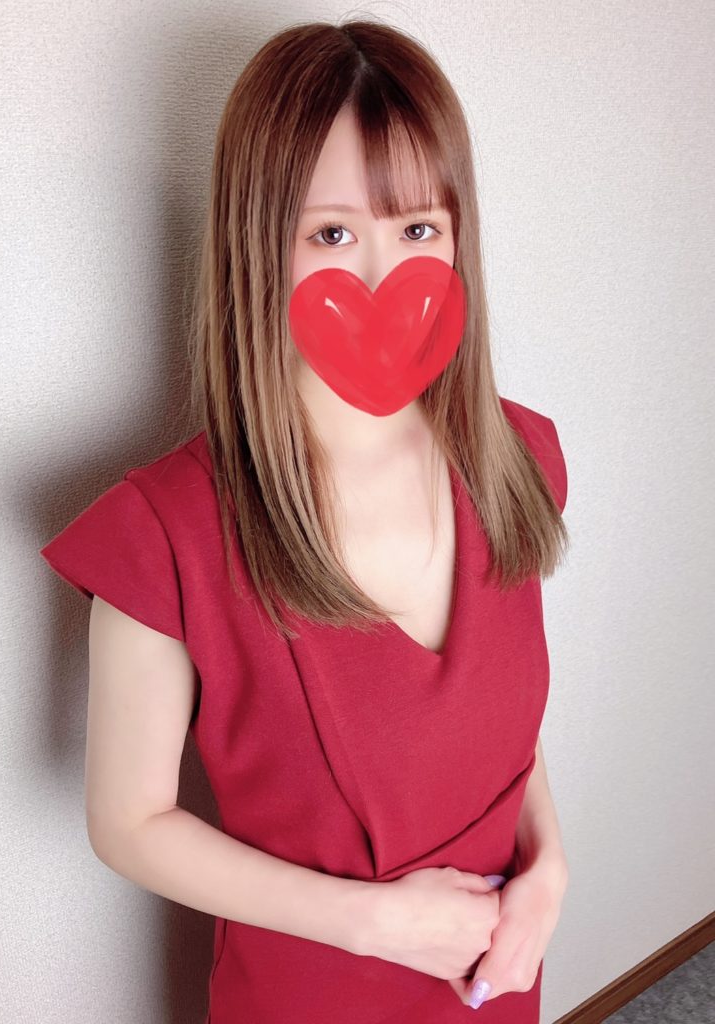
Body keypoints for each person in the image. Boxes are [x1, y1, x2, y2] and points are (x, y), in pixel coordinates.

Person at [39, 18, 570, 1024]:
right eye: (332, 234)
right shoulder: (165, 533)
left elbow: (502, 739)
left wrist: (550, 866)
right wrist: (374, 922)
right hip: (313, 993)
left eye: (418, 229)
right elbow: (129, 821)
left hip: (497, 972)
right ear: (258, 243)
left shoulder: (519, 460)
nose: (381, 275)